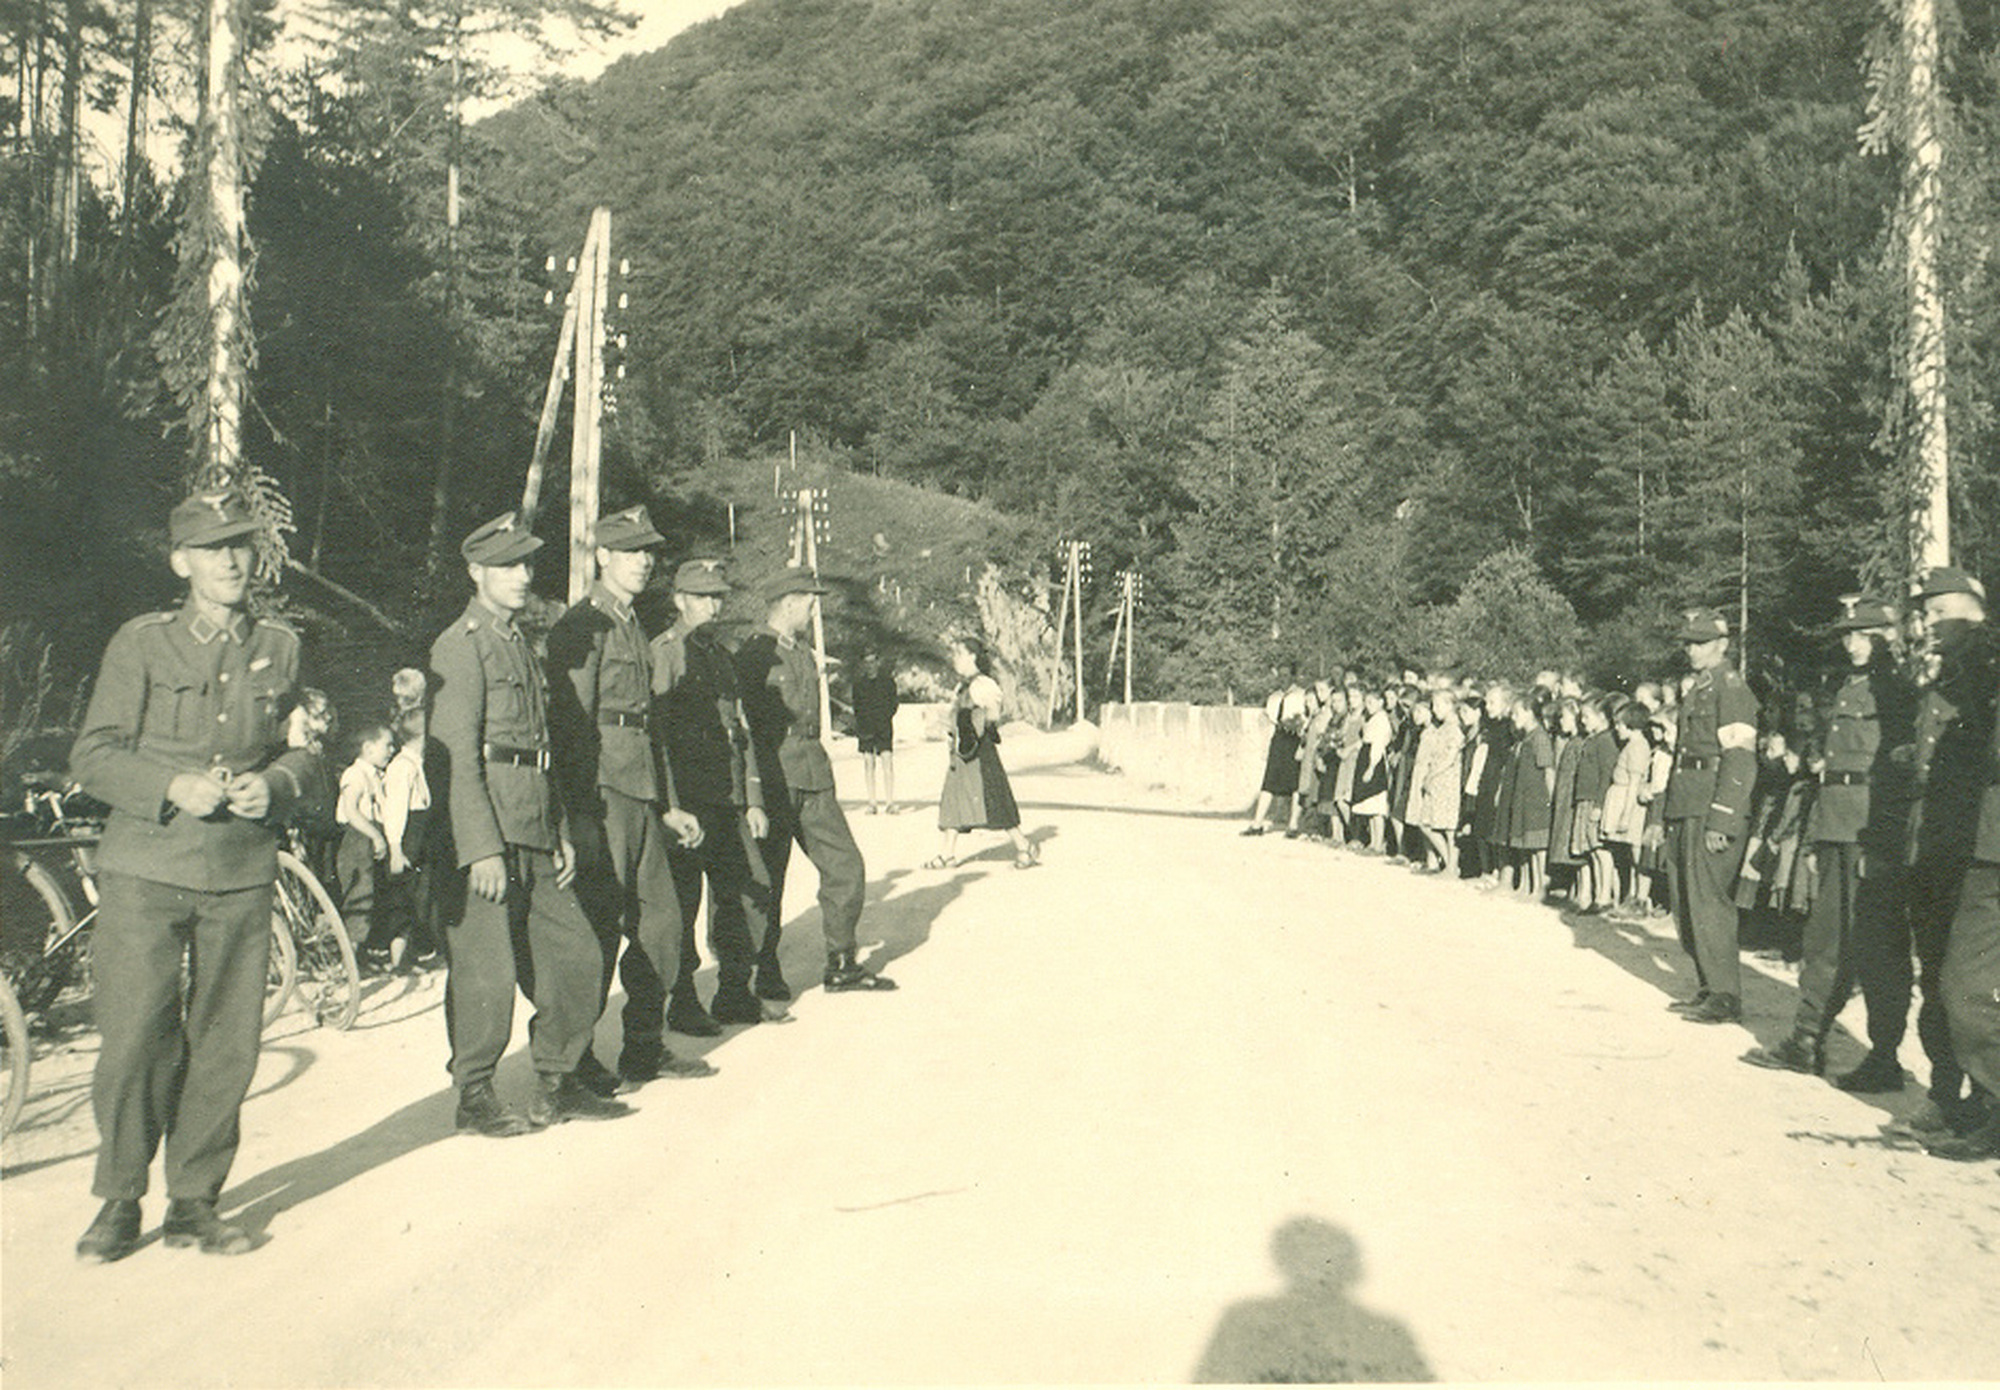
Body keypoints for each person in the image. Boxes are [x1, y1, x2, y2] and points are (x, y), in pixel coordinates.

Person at [68, 487, 320, 1262]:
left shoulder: (280, 643)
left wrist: (273, 786)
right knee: (137, 1035)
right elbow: (93, 754)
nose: (233, 559)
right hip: (148, 864)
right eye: (214, 547)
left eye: (241, 544)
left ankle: (193, 1202)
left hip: (240, 868)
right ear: (181, 562)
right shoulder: (140, 644)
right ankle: (118, 1199)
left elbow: (306, 750)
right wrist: (170, 785)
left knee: (225, 1043)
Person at [429, 511, 632, 1136]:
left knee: (575, 951)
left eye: (525, 564)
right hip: (488, 826)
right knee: (485, 968)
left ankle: (557, 1077)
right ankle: (475, 1093)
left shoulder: (520, 640)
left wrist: (561, 828)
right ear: (476, 572)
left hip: (536, 822)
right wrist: (480, 847)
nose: (521, 576)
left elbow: (542, 747)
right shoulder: (459, 644)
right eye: (506, 566)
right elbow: (456, 754)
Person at [545, 506, 721, 1088]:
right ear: (602, 557)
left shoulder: (631, 626)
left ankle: (643, 1045)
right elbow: (571, 729)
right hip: (601, 796)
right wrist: (575, 814)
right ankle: (573, 1062)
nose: (645, 561)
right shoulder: (582, 626)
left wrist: (668, 802)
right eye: (631, 551)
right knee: (595, 930)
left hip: (641, 794)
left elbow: (649, 729)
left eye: (649, 552)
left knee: (663, 927)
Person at [1743, 596, 1913, 1078]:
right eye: (1849, 634)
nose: (1853, 642)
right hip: (1837, 825)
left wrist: (1885, 840)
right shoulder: (1846, 685)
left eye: (1865, 634)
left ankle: (1884, 1056)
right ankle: (1807, 1039)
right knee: (1825, 938)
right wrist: (1817, 838)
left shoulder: (1897, 689)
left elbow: (1900, 769)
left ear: (1889, 636)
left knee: (1878, 944)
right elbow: (1828, 773)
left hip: (1871, 829)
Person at [736, 567, 896, 993]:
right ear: (789, 601)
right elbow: (745, 726)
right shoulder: (754, 654)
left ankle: (842, 962)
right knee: (769, 878)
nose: (813, 608)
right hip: (773, 776)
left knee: (846, 865)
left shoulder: (804, 654)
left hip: (812, 774)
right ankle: (762, 971)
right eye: (809, 600)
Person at [651, 557, 790, 1032]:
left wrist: (752, 798)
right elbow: (659, 740)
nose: (713, 605)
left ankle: (734, 990)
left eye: (717, 597)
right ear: (679, 601)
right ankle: (684, 1000)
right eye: (703, 597)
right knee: (683, 903)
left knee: (747, 891)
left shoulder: (722, 656)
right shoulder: (665, 654)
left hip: (727, 797)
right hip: (688, 801)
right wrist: (669, 804)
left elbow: (740, 730)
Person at [1896, 565, 2000, 1139]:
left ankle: (1987, 1099)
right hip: (1937, 843)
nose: (1928, 624)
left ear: (1970, 612)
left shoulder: (1984, 672)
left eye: (1938, 613)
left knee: (1966, 981)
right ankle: (1946, 1090)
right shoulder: (1945, 675)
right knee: (1935, 975)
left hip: (1972, 845)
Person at [1662, 608, 1759, 1025]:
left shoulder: (1731, 688)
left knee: (1708, 903)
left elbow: (1739, 758)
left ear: (1722, 644)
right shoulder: (1698, 688)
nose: (1691, 649)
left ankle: (1725, 994)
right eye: (1688, 642)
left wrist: (1723, 819)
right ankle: (1707, 984)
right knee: (1686, 901)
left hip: (1711, 806)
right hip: (1687, 803)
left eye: (1700, 642)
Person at [930, 636, 1037, 869]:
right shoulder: (963, 686)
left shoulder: (984, 685)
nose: (955, 659)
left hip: (979, 753)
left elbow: (993, 715)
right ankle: (947, 854)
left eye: (959, 654)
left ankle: (1024, 845)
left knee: (993, 799)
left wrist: (970, 724)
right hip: (960, 753)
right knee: (953, 800)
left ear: (972, 657)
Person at [378, 704, 442, 971]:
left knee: (419, 896)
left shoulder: (416, 764)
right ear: (423, 736)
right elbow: (394, 810)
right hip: (406, 837)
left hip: (419, 834)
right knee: (403, 898)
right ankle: (398, 960)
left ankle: (411, 953)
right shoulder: (402, 768)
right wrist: (395, 848)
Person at [333, 723, 394, 963]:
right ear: (368, 748)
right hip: (357, 838)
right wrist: (376, 836)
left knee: (372, 894)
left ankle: (361, 956)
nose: (392, 749)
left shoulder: (375, 775)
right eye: (387, 745)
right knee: (360, 896)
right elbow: (350, 810)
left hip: (368, 836)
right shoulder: (356, 774)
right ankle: (349, 960)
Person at [1409, 686, 1463, 875]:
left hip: (1446, 781)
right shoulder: (1442, 728)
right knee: (1428, 823)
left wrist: (1431, 775)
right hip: (1436, 780)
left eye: (1438, 705)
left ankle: (1451, 866)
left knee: (1446, 827)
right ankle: (1449, 864)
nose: (1434, 709)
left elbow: (1449, 757)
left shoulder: (1454, 729)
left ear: (1450, 705)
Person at [1245, 680, 1309, 837]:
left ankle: (1293, 825)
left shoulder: (1301, 694)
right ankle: (1257, 823)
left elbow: (1307, 716)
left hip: (1295, 737)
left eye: (1287, 673)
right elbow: (1269, 720)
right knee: (1269, 780)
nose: (1284, 676)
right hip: (1279, 738)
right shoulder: (1274, 697)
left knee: (1295, 782)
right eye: (1282, 673)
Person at [852, 649, 900, 814]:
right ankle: (872, 803)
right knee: (868, 764)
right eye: (867, 662)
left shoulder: (888, 682)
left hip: (883, 727)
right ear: (863, 664)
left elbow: (894, 704)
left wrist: (883, 718)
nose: (870, 665)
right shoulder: (858, 684)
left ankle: (890, 802)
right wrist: (863, 724)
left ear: (878, 662)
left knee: (887, 764)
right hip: (865, 729)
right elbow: (856, 707)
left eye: (873, 661)